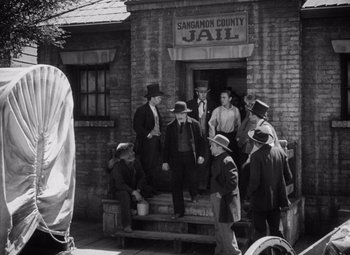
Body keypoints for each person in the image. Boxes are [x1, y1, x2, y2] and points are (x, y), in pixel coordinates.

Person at [247, 126, 293, 240]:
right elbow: (289, 177)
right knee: (275, 231)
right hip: (276, 201)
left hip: (260, 201)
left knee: (260, 233)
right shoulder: (280, 153)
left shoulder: (255, 156)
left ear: (256, 142)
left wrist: (247, 195)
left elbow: (254, 182)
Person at [162, 101, 205, 219]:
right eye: (177, 114)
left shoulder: (194, 124)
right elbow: (166, 145)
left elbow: (201, 142)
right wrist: (165, 161)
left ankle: (194, 194)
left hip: (190, 155)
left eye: (181, 114)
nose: (179, 116)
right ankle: (178, 211)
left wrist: (201, 155)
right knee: (175, 183)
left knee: (192, 177)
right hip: (176, 157)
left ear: (186, 114)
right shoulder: (171, 127)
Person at [208, 134, 241, 255]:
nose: (210, 147)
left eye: (212, 145)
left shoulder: (227, 160)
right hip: (217, 198)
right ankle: (220, 252)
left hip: (224, 201)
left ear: (219, 147)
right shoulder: (218, 159)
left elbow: (233, 182)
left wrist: (220, 193)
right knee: (218, 228)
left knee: (225, 230)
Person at [111, 143, 151, 232]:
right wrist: (133, 192)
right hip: (120, 190)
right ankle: (127, 225)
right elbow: (119, 184)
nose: (132, 153)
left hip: (133, 188)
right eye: (129, 152)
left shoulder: (135, 162)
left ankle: (132, 208)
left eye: (132, 151)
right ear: (123, 155)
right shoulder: (117, 166)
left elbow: (142, 177)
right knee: (124, 195)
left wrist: (138, 189)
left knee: (148, 190)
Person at [133, 83, 164, 189]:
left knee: (154, 166)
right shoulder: (142, 110)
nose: (160, 99)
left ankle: (153, 188)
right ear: (152, 98)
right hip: (146, 143)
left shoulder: (156, 109)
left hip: (156, 141)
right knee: (146, 166)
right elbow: (137, 126)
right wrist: (148, 134)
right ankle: (145, 190)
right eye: (158, 97)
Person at [187, 80, 216, 192]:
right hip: (194, 138)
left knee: (206, 161)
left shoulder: (213, 105)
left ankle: (204, 187)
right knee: (194, 162)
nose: (203, 94)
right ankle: (194, 187)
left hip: (208, 138)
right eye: (201, 92)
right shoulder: (189, 104)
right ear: (197, 92)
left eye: (205, 92)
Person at [209, 89, 241, 162]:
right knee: (219, 158)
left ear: (230, 99)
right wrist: (212, 140)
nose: (222, 99)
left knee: (232, 158)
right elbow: (211, 125)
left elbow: (239, 126)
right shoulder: (217, 110)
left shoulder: (236, 110)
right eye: (221, 97)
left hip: (231, 138)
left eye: (224, 97)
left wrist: (238, 139)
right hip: (220, 136)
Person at [235, 94, 257, 199]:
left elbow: (248, 133)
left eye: (251, 104)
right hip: (244, 148)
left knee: (245, 176)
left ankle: (244, 199)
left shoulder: (253, 118)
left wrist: (240, 140)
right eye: (246, 104)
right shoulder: (248, 116)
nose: (248, 107)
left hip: (248, 150)